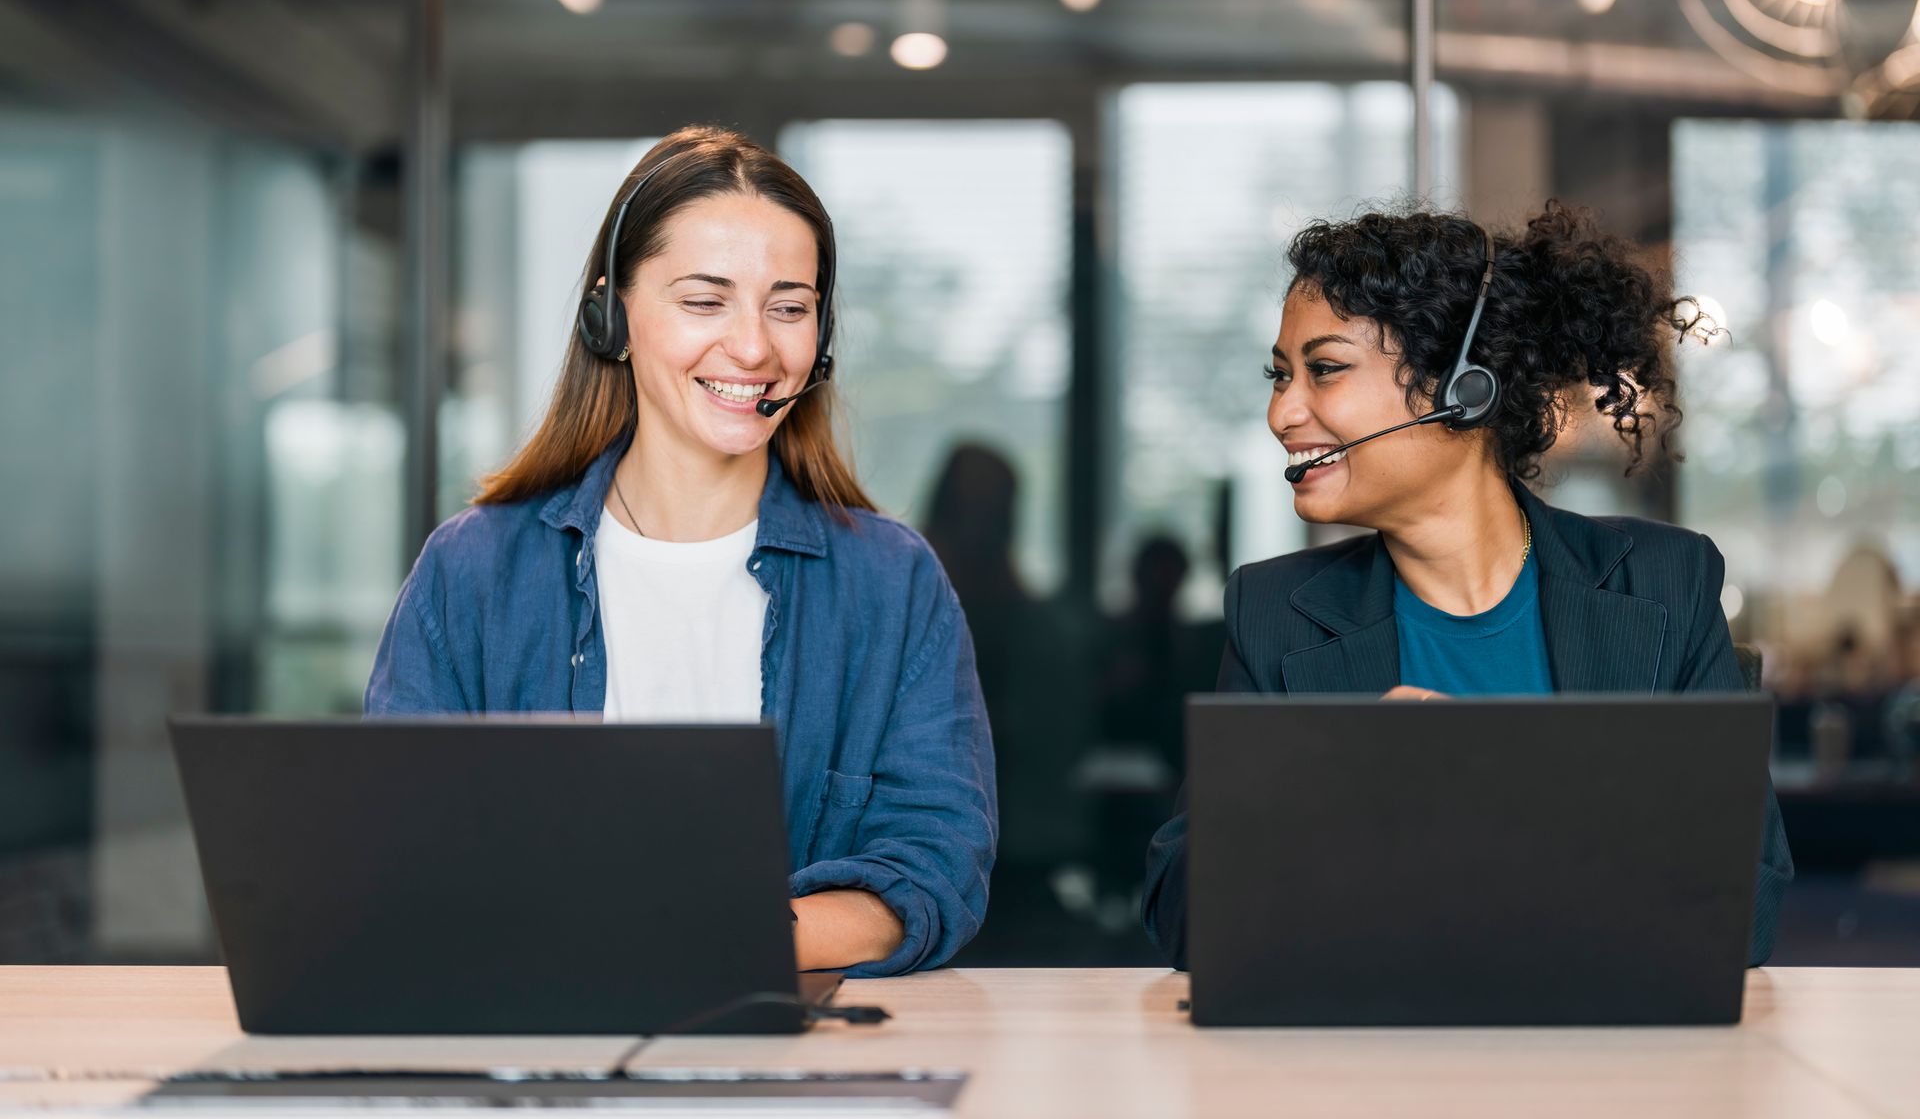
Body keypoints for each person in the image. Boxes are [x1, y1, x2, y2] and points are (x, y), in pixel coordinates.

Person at [365, 125, 996, 977]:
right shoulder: (475, 570)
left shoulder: (892, 583)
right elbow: (399, 859)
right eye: (705, 301)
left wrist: (702, 939)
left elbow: (932, 872)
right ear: (612, 315)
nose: (754, 349)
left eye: (790, 306)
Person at [1141, 202, 1795, 968]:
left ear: (1465, 390)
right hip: (1375, 1060)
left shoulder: (1663, 585)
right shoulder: (1275, 613)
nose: (1282, 413)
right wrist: (1325, 785)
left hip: (1604, 1059)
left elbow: (1744, 905)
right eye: (1280, 377)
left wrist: (1504, 802)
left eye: (1324, 369)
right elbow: (1182, 917)